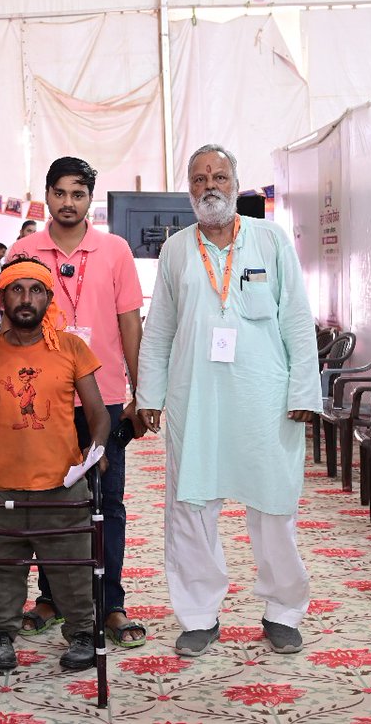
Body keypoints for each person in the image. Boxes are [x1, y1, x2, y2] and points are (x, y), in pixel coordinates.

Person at [136, 144, 321, 656]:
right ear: (188, 189)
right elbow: (159, 330)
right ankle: (199, 615)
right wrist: (149, 393)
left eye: (219, 177)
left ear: (236, 185)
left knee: (274, 505)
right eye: (199, 179)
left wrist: (305, 391)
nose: (209, 186)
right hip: (196, 397)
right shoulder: (176, 250)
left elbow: (297, 320)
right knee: (191, 506)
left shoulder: (270, 239)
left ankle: (283, 609)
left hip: (266, 397)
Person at [0, 256, 109, 673]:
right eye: (16, 289)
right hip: (1, 490)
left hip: (63, 487)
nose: (26, 299)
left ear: (48, 298)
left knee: (73, 573)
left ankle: (83, 633)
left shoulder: (71, 348)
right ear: (2, 298)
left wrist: (97, 448)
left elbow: (98, 414)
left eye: (35, 290)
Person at [9, 156, 148, 647]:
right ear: (46, 195)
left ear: (91, 199)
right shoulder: (24, 251)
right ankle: (52, 598)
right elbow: (10, 326)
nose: (68, 203)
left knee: (107, 502)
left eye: (78, 194)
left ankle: (110, 603)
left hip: (102, 399)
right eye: (60, 193)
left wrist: (141, 392)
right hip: (41, 398)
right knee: (48, 502)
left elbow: (130, 323)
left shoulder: (114, 250)